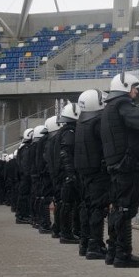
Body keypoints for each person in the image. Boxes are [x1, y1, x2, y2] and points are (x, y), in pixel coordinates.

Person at [101, 73, 139, 268]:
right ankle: (123, 254)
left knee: (118, 208)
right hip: (126, 166)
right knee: (125, 210)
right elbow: (138, 120)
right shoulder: (122, 104)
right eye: (134, 87)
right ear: (125, 87)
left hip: (115, 165)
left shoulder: (109, 107)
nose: (136, 91)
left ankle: (113, 252)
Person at [75, 89, 111, 260]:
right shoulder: (97, 122)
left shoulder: (81, 122)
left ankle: (85, 242)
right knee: (97, 208)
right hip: (97, 171)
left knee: (87, 206)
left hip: (84, 171)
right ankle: (95, 245)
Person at [57, 102, 82, 246]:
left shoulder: (64, 131)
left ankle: (66, 232)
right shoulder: (69, 133)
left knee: (67, 204)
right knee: (68, 204)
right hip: (68, 175)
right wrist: (71, 174)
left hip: (64, 174)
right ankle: (66, 233)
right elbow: (66, 154)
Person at [15, 129, 34, 225]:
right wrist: (28, 175)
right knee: (24, 197)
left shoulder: (22, 148)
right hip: (26, 177)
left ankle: (22, 215)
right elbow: (26, 164)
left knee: (24, 196)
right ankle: (22, 216)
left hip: (23, 177)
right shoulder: (26, 149)